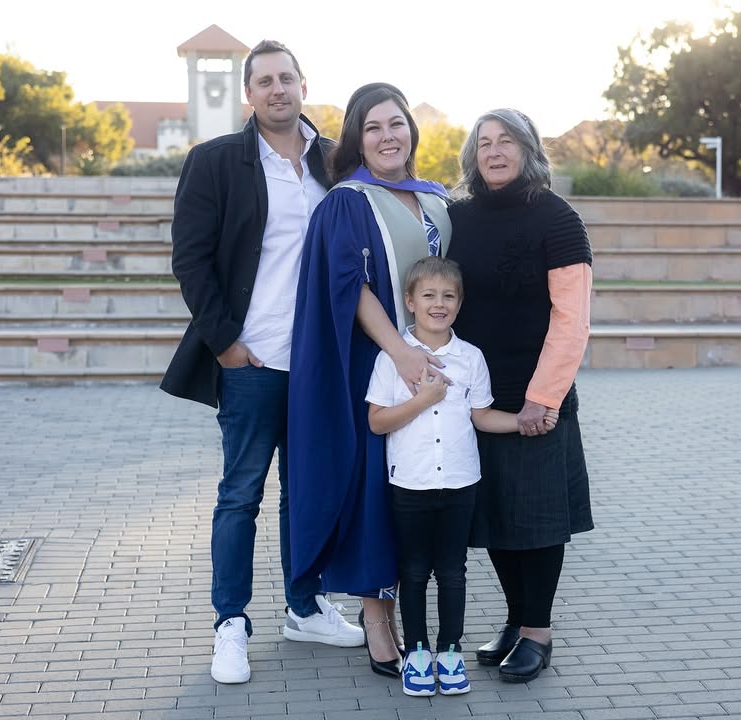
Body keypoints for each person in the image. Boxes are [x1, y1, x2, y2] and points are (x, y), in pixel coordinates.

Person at [159, 40, 363, 686]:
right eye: (264, 81)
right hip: (250, 362)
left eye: (287, 79)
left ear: (304, 87)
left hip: (317, 366)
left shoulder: (334, 163)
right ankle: (230, 625)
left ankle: (304, 606)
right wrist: (225, 344)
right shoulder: (216, 161)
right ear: (248, 95)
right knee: (241, 495)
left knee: (306, 492)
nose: (277, 90)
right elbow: (190, 259)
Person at [287, 83, 452, 678]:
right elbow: (347, 285)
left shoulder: (432, 199)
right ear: (357, 137)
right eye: (374, 127)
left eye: (397, 124)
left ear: (412, 131)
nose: (388, 137)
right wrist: (402, 354)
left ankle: (416, 612)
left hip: (431, 364)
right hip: (378, 363)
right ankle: (376, 620)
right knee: (375, 492)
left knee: (417, 488)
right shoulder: (349, 202)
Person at [446, 108, 594, 683]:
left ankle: (538, 631)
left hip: (537, 394)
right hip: (477, 398)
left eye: (506, 140)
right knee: (497, 516)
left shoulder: (558, 219)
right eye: (484, 142)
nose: (494, 150)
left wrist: (544, 398)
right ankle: (513, 620)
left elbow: (571, 321)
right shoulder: (458, 217)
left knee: (537, 520)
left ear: (529, 149)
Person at [366, 256, 552, 696]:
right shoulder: (392, 358)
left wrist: (525, 421)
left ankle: (449, 653)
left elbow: (482, 416)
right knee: (412, 571)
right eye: (428, 295)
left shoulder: (471, 358)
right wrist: (424, 397)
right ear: (410, 301)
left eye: (448, 296)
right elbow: (377, 421)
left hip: (460, 482)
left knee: (452, 571)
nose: (439, 303)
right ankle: (416, 653)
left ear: (460, 303)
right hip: (409, 483)